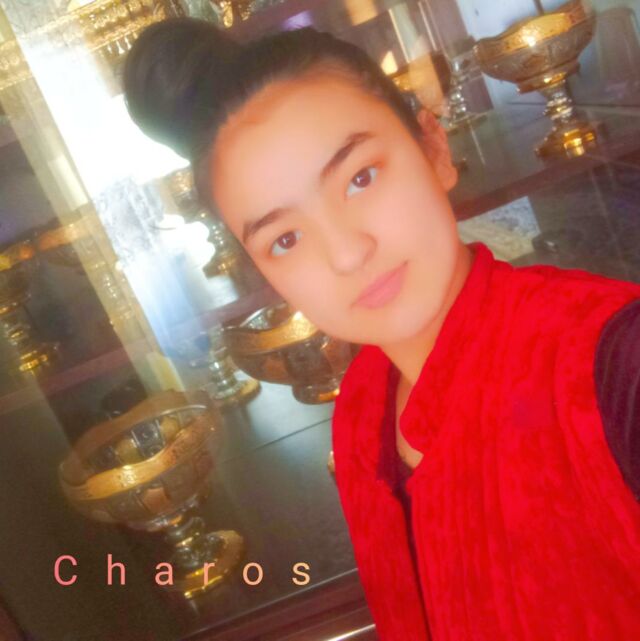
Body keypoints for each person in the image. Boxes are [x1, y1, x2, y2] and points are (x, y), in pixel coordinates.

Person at [122, 17, 640, 640]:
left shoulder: (609, 364)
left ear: (434, 149)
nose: (347, 254)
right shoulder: (362, 410)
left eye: (360, 178)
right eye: (285, 238)